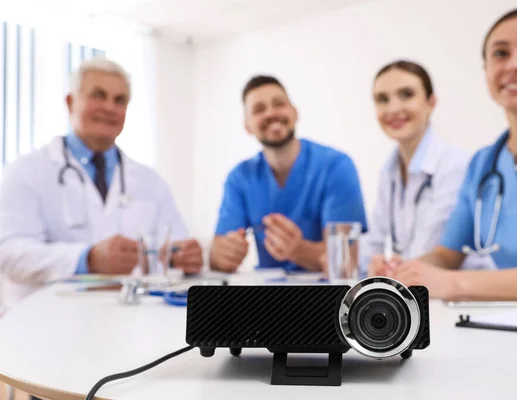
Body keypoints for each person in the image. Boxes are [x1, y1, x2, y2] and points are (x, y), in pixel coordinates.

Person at [371, 7, 517, 302]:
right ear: (486, 69)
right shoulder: (484, 163)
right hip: (512, 325)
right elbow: (446, 255)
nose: (514, 65)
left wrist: (452, 284)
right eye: (501, 54)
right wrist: (403, 273)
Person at [0, 57, 203, 315]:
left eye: (120, 100)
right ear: (71, 101)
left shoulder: (150, 181)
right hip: (43, 323)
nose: (110, 107)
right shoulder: (26, 171)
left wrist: (185, 257)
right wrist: (87, 259)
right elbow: (8, 253)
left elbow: (176, 244)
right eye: (98, 95)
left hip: (129, 320)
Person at [210, 75, 368, 273]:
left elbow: (346, 260)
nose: (271, 113)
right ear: (247, 125)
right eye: (259, 109)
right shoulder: (239, 178)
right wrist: (221, 254)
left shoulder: (336, 166)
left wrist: (299, 250)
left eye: (279, 104)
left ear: (295, 113)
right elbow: (217, 256)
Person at [362, 60, 491, 274]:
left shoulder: (455, 166)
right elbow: (374, 243)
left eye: (407, 95)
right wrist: (374, 263)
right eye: (382, 99)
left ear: (431, 103)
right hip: (420, 286)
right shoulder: (389, 171)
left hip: (462, 291)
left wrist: (393, 269)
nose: (393, 108)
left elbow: (435, 251)